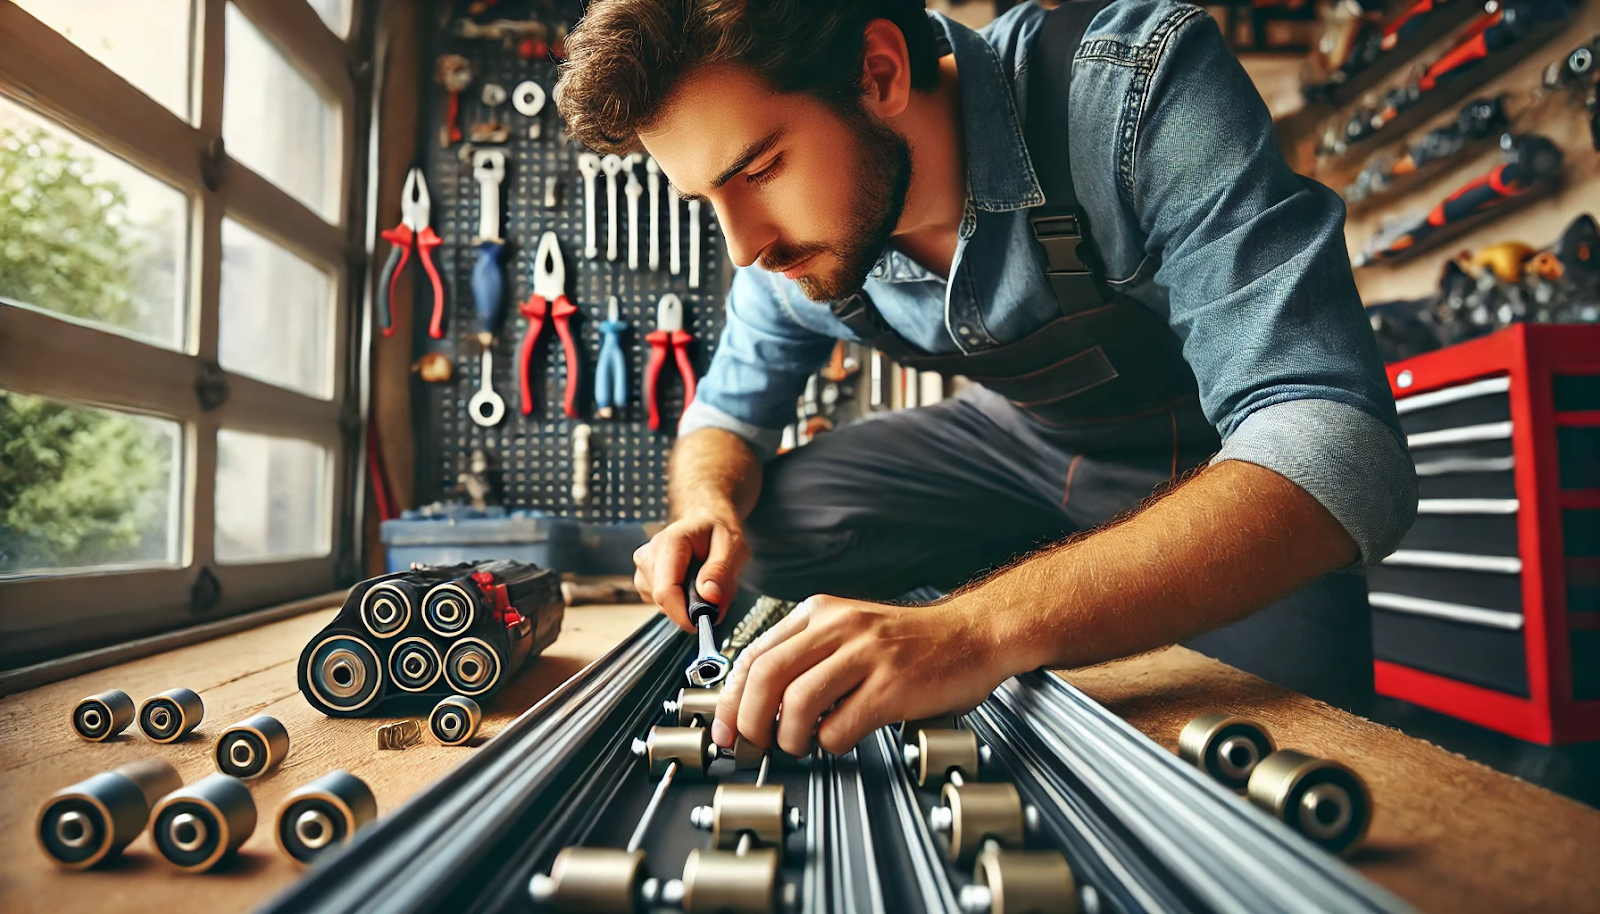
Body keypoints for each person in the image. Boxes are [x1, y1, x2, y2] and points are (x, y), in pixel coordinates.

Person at [554, 0, 1417, 758]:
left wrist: (976, 630)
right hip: (1024, 450)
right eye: (709, 199)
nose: (745, 246)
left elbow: (1339, 452)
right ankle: (1029, 585)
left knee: (1302, 740)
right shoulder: (794, 253)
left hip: (1210, 466)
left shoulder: (1131, 88)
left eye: (759, 169)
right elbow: (723, 421)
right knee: (765, 528)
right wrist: (705, 509)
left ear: (879, 73)